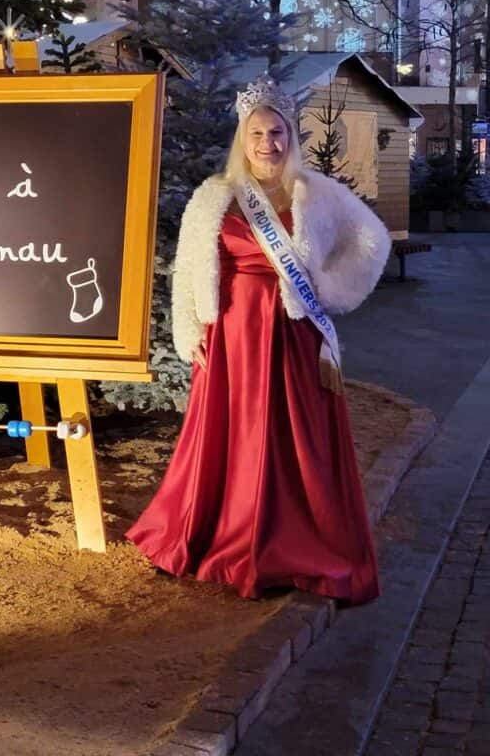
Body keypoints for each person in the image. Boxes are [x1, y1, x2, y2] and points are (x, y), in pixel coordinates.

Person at [126, 76, 392, 606]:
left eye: (278, 133)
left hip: (293, 335)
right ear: (242, 140)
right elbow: (188, 270)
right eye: (258, 134)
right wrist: (191, 329)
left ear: (291, 136)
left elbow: (372, 239)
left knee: (295, 443)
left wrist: (331, 288)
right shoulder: (215, 197)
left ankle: (294, 544)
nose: (268, 144)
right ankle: (217, 535)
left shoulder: (314, 193)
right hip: (232, 335)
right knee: (233, 436)